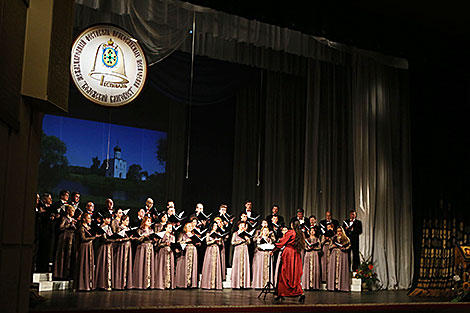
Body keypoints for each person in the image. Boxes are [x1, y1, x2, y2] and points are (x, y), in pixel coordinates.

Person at [273, 220, 305, 302]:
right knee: (294, 274)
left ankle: (281, 293)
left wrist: (274, 247)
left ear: (292, 225)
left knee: (284, 273)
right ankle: (300, 293)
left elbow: (282, 242)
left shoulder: (291, 232)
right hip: (296, 254)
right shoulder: (300, 233)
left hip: (288, 253)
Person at [74, 213, 100, 291]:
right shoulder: (81, 227)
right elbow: (83, 239)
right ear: (84, 219)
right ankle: (82, 285)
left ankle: (89, 284)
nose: (90, 219)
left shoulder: (89, 227)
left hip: (89, 246)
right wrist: (94, 237)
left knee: (89, 264)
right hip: (84, 247)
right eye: (88, 218)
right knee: (84, 264)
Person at [53, 204, 76, 280]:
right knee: (63, 254)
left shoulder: (72, 219)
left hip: (71, 238)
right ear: (68, 211)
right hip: (64, 238)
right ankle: (61, 273)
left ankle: (68, 273)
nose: (73, 212)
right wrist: (69, 225)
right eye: (72, 210)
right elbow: (61, 227)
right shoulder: (64, 218)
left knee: (69, 256)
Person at [132, 216, 155, 289]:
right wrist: (143, 236)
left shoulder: (151, 230)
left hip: (150, 247)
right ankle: (140, 283)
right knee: (142, 264)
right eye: (148, 221)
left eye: (150, 221)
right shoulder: (140, 230)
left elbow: (154, 240)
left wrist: (154, 239)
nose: (149, 222)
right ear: (144, 222)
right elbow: (136, 240)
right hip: (142, 247)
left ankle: (149, 283)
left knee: (149, 264)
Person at [112, 214, 133, 290]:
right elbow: (118, 238)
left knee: (127, 264)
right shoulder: (119, 228)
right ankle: (119, 284)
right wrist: (127, 239)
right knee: (121, 263)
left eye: (128, 220)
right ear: (123, 221)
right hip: (122, 247)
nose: (128, 222)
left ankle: (126, 283)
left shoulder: (128, 228)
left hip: (128, 247)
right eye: (126, 220)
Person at [200, 222, 224, 289]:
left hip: (216, 249)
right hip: (210, 249)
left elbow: (220, 244)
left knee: (216, 265)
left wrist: (219, 241)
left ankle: (216, 284)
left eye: (216, 226)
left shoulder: (218, 233)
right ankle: (207, 284)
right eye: (214, 225)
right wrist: (213, 241)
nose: (215, 227)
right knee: (208, 265)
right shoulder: (208, 233)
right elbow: (207, 242)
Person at [175, 222, 199, 288]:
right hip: (186, 250)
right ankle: (184, 283)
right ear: (185, 228)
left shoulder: (194, 235)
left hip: (193, 250)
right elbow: (178, 242)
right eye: (188, 226)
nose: (190, 227)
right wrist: (185, 241)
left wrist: (197, 243)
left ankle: (192, 283)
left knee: (193, 266)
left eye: (191, 226)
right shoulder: (183, 234)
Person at [94, 212, 114, 290]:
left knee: (108, 265)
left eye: (110, 219)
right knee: (102, 264)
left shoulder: (109, 227)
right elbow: (104, 239)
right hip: (103, 247)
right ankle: (101, 283)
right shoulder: (101, 227)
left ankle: (108, 283)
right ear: (104, 219)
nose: (109, 220)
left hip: (109, 247)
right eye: (108, 219)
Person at [327, 226, 351, 292]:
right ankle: (333, 286)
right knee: (334, 269)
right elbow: (330, 246)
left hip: (342, 254)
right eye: (338, 231)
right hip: (334, 254)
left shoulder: (346, 238)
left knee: (341, 269)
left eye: (340, 231)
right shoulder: (334, 238)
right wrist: (333, 246)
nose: (339, 232)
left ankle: (342, 286)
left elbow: (348, 246)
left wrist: (344, 248)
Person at [154, 223, 176, 289]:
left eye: (171, 228)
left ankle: (169, 284)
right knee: (162, 266)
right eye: (169, 227)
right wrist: (164, 244)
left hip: (170, 252)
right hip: (163, 251)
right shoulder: (162, 235)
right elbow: (157, 245)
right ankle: (161, 283)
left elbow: (174, 245)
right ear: (165, 228)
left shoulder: (172, 236)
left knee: (170, 267)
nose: (170, 229)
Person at [231, 221, 252, 289]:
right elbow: (232, 242)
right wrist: (239, 242)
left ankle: (244, 284)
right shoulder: (235, 233)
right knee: (237, 265)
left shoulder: (246, 234)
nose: (242, 226)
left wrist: (247, 239)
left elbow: (249, 242)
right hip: (238, 250)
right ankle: (236, 284)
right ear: (238, 226)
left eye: (244, 225)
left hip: (245, 250)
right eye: (241, 225)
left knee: (245, 265)